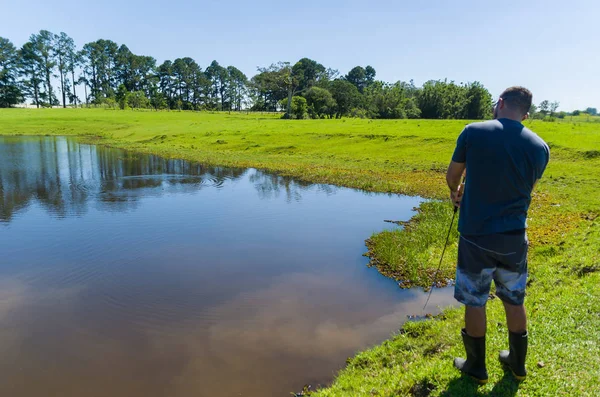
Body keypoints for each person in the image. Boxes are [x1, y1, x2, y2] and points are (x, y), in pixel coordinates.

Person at [446, 86, 550, 384]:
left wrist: (456, 193)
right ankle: (517, 364)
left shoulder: (472, 131)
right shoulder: (540, 147)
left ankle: (476, 367)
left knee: (474, 300)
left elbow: (453, 175)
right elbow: (525, 188)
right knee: (514, 299)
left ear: (500, 103)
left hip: (476, 236)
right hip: (514, 237)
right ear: (526, 114)